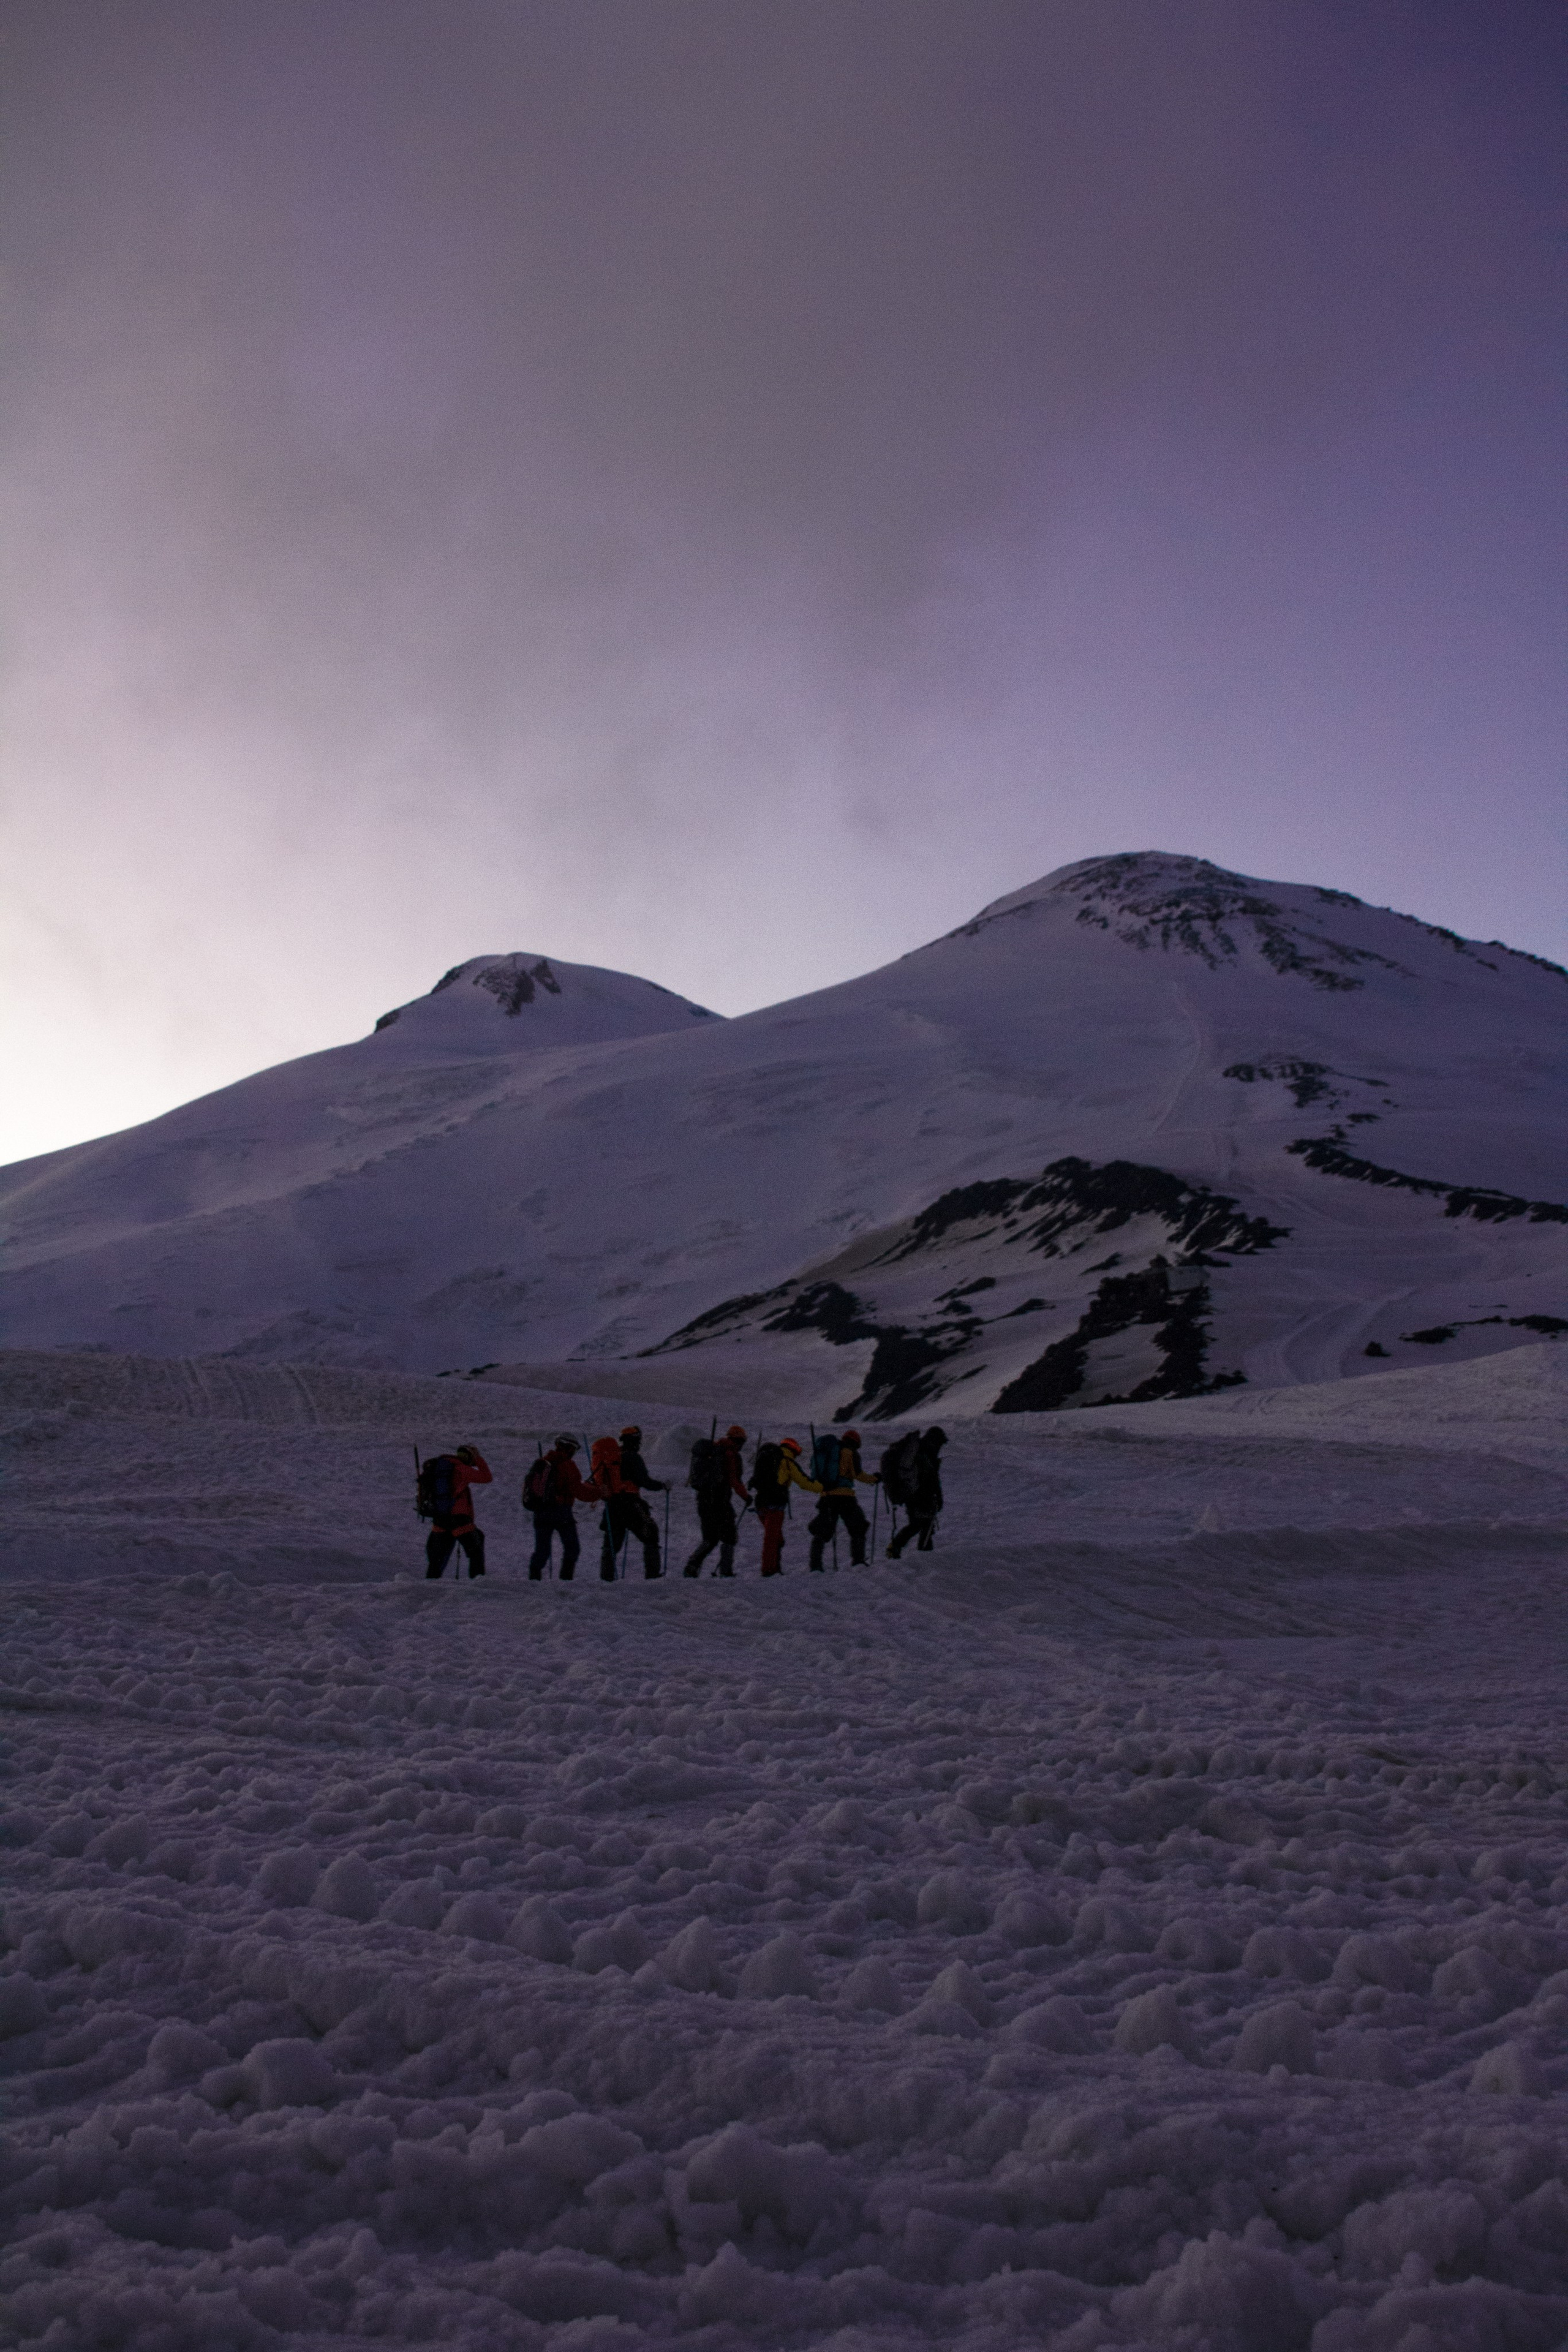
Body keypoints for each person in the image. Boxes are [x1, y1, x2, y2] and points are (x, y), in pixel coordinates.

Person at [523, 1435, 598, 1581]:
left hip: (540, 1511)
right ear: (570, 1448)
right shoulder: (568, 1465)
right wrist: (600, 1491)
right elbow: (581, 1492)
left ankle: (534, 1580)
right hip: (561, 1512)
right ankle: (566, 1581)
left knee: (542, 1551)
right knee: (572, 1548)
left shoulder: (542, 1462)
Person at [807, 1428, 879, 1571]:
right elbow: (858, 1474)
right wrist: (875, 1479)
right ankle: (858, 1561)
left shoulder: (829, 1451)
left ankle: (815, 1566)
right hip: (846, 1498)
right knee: (858, 1527)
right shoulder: (850, 1452)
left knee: (822, 1530)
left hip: (827, 1496)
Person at [684, 1423, 750, 1577]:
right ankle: (726, 1572)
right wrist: (746, 1497)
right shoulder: (730, 1454)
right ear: (739, 1441)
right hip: (720, 1501)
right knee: (729, 1535)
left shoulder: (713, 1449)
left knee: (710, 1538)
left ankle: (692, 1566)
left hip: (704, 1500)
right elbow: (734, 1481)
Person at [752, 1435, 821, 1577]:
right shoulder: (788, 1462)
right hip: (775, 1504)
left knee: (774, 1537)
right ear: (793, 1450)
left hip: (760, 1503)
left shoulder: (767, 1458)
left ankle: (774, 1568)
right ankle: (769, 1570)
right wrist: (823, 1488)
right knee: (772, 1539)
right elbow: (804, 1482)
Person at [603, 1425, 667, 1580]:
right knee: (651, 1534)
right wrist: (663, 1485)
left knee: (612, 1544)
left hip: (613, 1505)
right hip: (631, 1504)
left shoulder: (612, 1457)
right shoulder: (633, 1457)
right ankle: (652, 1576)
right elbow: (645, 1481)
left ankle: (607, 1579)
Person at [424, 1444, 492, 1579]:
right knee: (476, 1551)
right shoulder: (461, 1469)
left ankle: (430, 1585)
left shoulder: (439, 1468)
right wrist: (478, 1459)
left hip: (440, 1519)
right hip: (459, 1520)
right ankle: (478, 1582)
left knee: (437, 1558)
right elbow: (486, 1477)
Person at [887, 1426, 946, 1556]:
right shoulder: (923, 1454)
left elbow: (931, 1478)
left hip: (914, 1495)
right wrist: (936, 1496)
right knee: (922, 1524)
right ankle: (921, 1553)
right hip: (918, 1496)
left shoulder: (922, 1452)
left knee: (920, 1525)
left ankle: (897, 1548)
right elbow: (930, 1479)